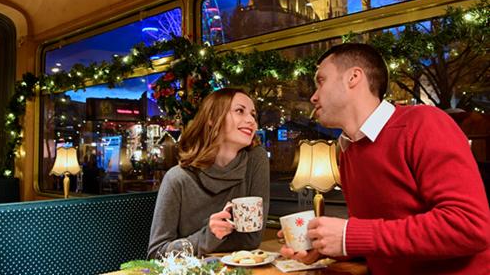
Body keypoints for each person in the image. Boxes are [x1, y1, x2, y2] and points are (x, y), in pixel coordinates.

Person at [280, 43, 490, 274]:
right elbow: (386, 237)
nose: (313, 97)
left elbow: (470, 227)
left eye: (321, 81)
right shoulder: (348, 149)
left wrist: (350, 236)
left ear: (353, 77)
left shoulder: (424, 123)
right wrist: (329, 245)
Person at [148, 87, 270, 258]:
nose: (251, 121)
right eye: (240, 111)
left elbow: (252, 239)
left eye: (253, 114)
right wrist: (208, 236)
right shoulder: (178, 179)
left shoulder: (256, 160)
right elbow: (156, 254)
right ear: (212, 118)